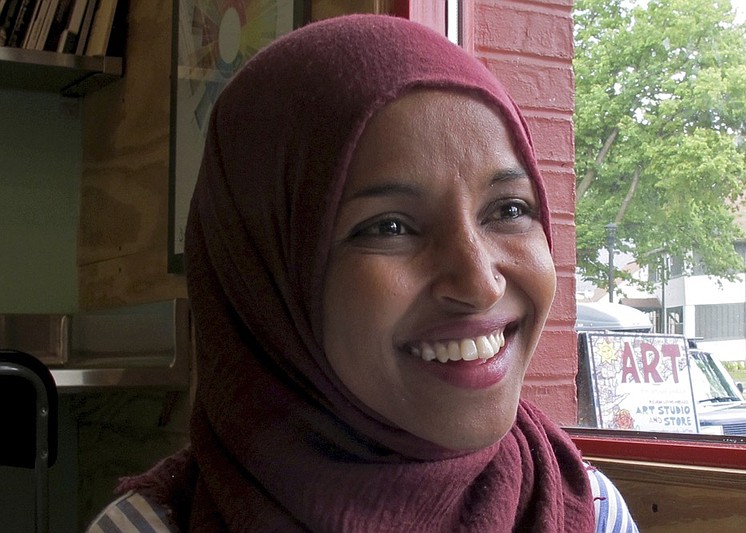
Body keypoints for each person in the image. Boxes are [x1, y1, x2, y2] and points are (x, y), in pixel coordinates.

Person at [88, 14, 638, 532]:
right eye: (391, 227)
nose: (478, 282)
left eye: (510, 210)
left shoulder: (585, 511)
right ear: (265, 280)